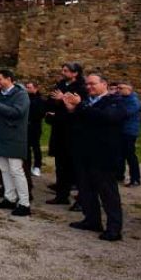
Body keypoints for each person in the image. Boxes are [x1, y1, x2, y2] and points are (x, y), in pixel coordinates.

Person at [63, 73, 126, 240]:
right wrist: (72, 111)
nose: (89, 87)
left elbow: (107, 118)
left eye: (93, 84)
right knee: (86, 189)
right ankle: (92, 220)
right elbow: (81, 124)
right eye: (87, 85)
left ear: (104, 84)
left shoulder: (114, 101)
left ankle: (114, 228)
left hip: (104, 155)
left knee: (108, 193)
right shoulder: (87, 103)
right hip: (84, 153)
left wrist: (81, 106)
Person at [0, 69, 31, 216]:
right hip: (0, 136)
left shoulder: (21, 95)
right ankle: (9, 198)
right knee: (4, 169)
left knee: (16, 170)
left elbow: (17, 113)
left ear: (9, 79)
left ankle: (24, 203)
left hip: (14, 137)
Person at [45, 63, 87, 206]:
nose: (63, 73)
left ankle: (82, 198)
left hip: (74, 130)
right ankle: (61, 195)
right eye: (62, 70)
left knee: (75, 165)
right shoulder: (61, 84)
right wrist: (57, 102)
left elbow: (79, 106)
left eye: (66, 70)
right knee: (61, 164)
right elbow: (51, 99)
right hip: (60, 128)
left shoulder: (81, 87)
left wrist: (63, 98)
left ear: (75, 73)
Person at [116, 83, 141, 187]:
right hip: (121, 130)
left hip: (129, 131)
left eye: (121, 88)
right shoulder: (122, 98)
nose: (118, 90)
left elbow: (126, 113)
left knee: (130, 155)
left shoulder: (134, 101)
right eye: (118, 88)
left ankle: (135, 178)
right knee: (120, 154)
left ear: (129, 89)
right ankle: (119, 175)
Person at [25, 81, 45, 176]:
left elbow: (40, 113)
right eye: (27, 87)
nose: (27, 89)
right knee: (26, 147)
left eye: (29, 87)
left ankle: (37, 166)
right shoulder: (25, 99)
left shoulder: (40, 100)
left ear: (35, 88)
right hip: (25, 126)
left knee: (36, 146)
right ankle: (27, 166)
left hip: (35, 127)